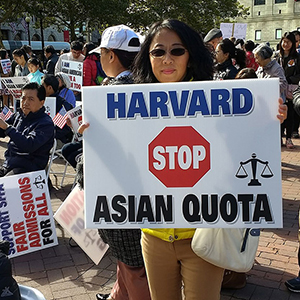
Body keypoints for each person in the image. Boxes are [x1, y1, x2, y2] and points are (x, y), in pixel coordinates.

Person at [76, 24, 151, 300]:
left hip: (116, 190)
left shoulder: (110, 93)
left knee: (133, 264)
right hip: (143, 187)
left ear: (110, 55)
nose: (99, 59)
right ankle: (118, 296)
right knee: (128, 258)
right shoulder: (149, 85)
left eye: (101, 54)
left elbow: (98, 148)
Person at [0, 82, 54, 176]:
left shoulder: (46, 123)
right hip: (9, 164)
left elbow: (29, 145)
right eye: (23, 98)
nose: (25, 103)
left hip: (29, 169)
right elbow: (2, 131)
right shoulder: (19, 115)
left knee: (4, 187)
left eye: (31, 99)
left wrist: (7, 128)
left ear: (42, 103)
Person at [277, 32, 300, 149]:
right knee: (279, 112)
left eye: (288, 42)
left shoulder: (296, 58)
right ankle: (279, 136)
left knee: (290, 114)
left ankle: (289, 138)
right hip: (279, 89)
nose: (285, 44)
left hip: (290, 90)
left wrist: (289, 79)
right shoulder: (277, 57)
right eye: (284, 41)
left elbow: (299, 74)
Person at [41, 74, 73, 144]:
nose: (40, 88)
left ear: (49, 88)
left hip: (57, 140)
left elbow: (62, 129)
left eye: (42, 86)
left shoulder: (63, 106)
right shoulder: (39, 102)